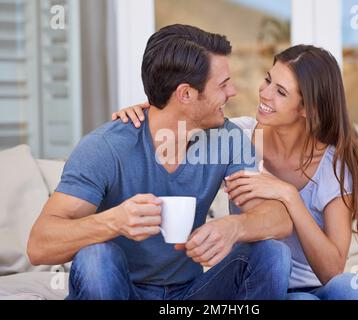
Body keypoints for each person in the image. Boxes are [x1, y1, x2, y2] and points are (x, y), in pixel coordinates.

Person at [26, 24, 294, 300]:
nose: (233, 92)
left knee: (272, 253)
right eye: (223, 85)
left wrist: (235, 227)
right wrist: (114, 221)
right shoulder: (107, 146)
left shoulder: (227, 139)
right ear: (186, 94)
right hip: (119, 290)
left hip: (189, 296)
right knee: (96, 257)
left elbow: (278, 219)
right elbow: (39, 245)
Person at [114, 44, 358, 300]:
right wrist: (145, 114)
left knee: (353, 289)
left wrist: (289, 195)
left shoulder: (332, 165)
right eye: (267, 80)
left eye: (280, 92)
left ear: (307, 109)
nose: (264, 93)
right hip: (260, 280)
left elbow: (332, 271)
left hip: (318, 285)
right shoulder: (237, 137)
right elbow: (174, 126)